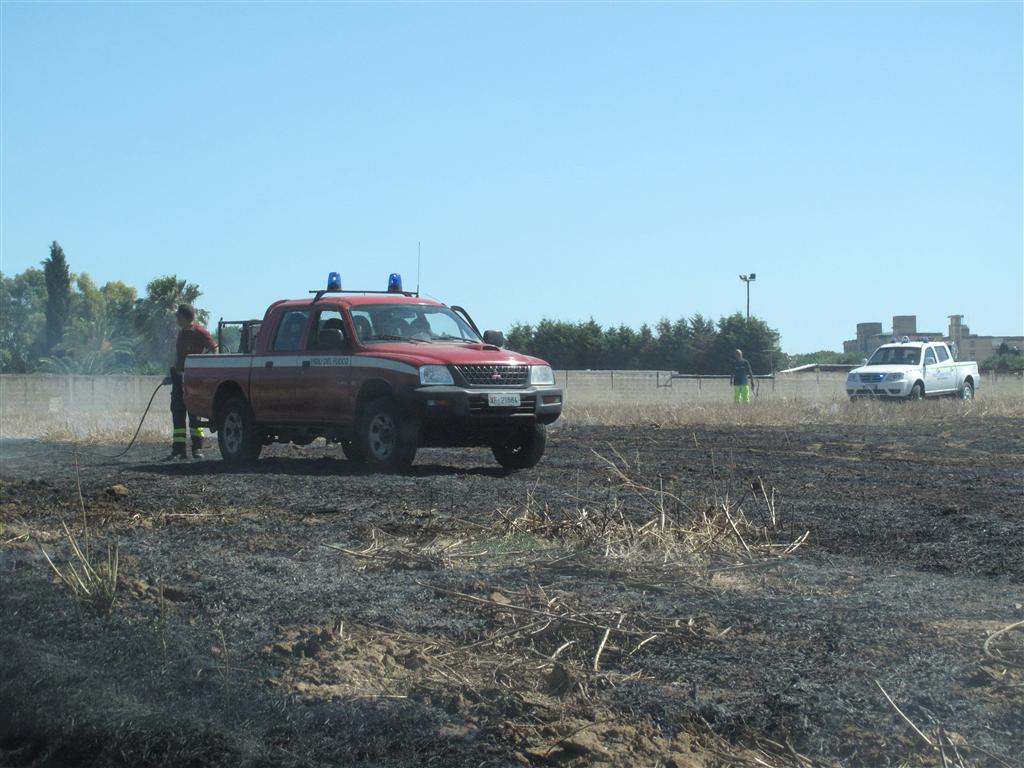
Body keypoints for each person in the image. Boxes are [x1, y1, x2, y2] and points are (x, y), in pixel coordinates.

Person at [168, 304, 217, 459]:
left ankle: (197, 449)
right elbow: (179, 358)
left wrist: (208, 367)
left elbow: (214, 348)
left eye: (178, 316)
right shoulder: (181, 334)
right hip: (178, 378)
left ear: (184, 317)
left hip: (193, 380)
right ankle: (179, 450)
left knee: (194, 414)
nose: (176, 319)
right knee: (177, 413)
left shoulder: (199, 332)